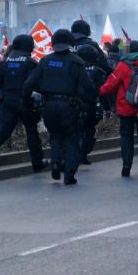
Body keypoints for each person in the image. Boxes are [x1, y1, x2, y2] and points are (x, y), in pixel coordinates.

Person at [24, 30, 93, 185]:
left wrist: (42, 91)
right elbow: (87, 86)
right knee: (71, 138)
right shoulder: (76, 61)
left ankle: (55, 163)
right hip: (69, 106)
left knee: (55, 136)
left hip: (48, 105)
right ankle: (69, 174)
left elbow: (29, 83)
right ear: (70, 43)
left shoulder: (45, 61)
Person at [0, 35, 46, 172]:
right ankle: (37, 163)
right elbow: (36, 83)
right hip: (26, 100)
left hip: (8, 100)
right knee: (31, 132)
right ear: (28, 46)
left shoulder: (4, 62)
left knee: (5, 129)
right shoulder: (31, 62)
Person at [100, 41, 138, 177]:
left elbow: (110, 85)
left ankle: (126, 165)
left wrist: (99, 91)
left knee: (126, 136)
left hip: (126, 107)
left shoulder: (123, 66)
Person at [76, 44, 108, 165]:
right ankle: (83, 154)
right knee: (89, 131)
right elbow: (102, 92)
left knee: (76, 131)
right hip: (90, 105)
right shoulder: (98, 72)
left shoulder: (75, 68)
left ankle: (77, 154)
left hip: (75, 104)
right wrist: (107, 108)